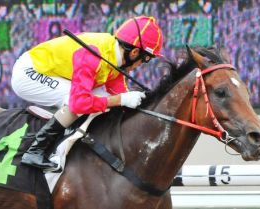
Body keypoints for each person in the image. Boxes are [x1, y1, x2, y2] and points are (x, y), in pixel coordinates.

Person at [11, 15, 164, 171]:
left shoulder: (116, 58)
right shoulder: (93, 55)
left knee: (104, 101)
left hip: (53, 72)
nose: (141, 65)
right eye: (145, 59)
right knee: (75, 101)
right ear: (135, 52)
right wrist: (120, 100)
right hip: (29, 72)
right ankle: (36, 150)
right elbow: (79, 103)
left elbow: (121, 98)